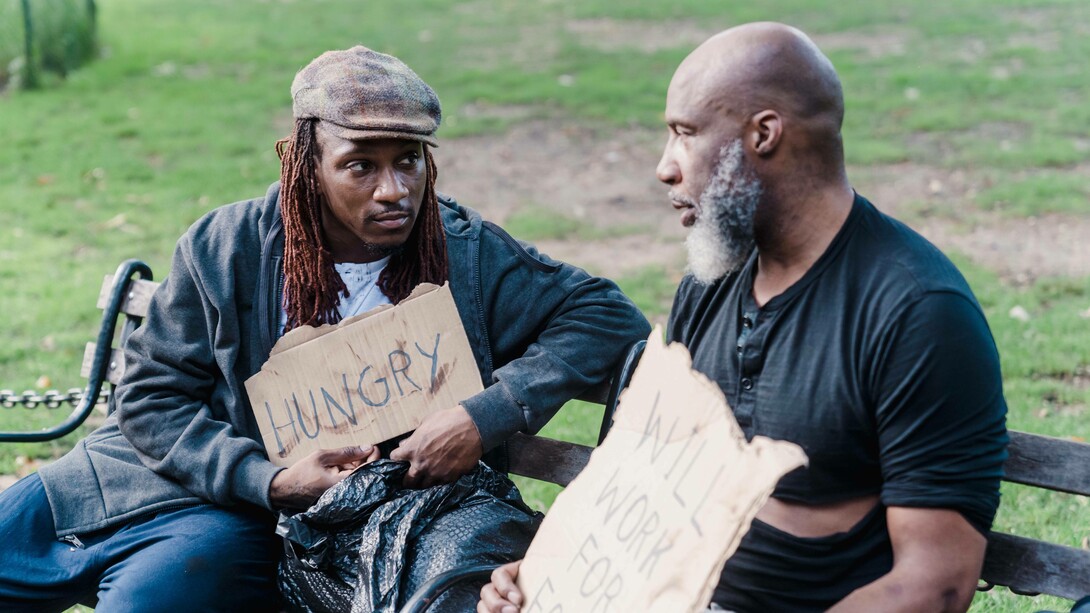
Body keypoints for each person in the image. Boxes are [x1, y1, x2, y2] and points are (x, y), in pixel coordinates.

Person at [0, 46, 650, 611]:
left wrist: (486, 413)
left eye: (410, 161)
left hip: (265, 525)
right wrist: (269, 477)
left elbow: (604, 314)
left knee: (156, 596)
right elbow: (150, 396)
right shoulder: (228, 245)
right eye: (361, 165)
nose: (394, 189)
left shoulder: (462, 251)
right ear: (307, 162)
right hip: (160, 478)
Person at [479, 22, 1008, 613]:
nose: (664, 167)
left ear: (764, 134)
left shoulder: (917, 313)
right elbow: (645, 484)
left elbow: (934, 585)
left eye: (685, 134)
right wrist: (556, 574)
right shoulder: (711, 286)